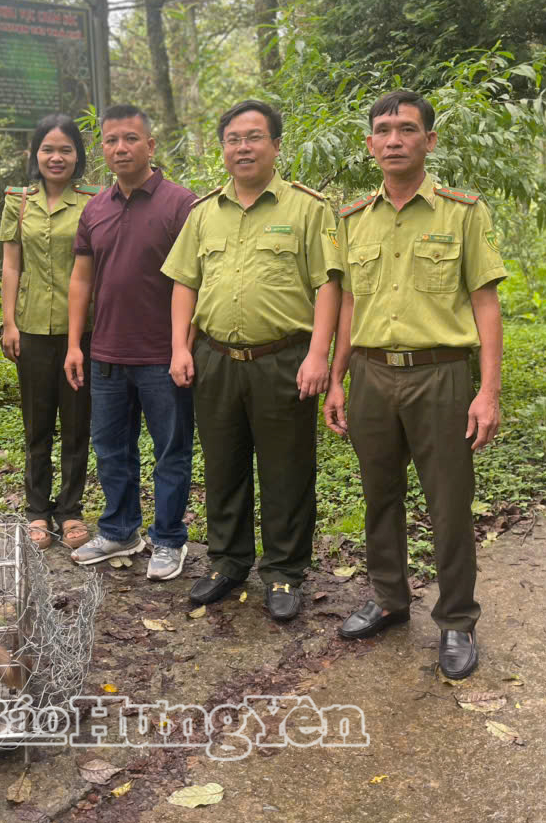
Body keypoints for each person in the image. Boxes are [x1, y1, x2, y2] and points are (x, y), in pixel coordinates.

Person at [323, 90, 505, 679]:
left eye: (406, 129)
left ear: (429, 140)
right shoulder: (352, 218)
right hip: (372, 374)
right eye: (383, 130)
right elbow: (349, 304)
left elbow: (486, 303)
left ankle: (456, 619)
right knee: (379, 494)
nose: (394, 139)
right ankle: (388, 598)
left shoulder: (462, 213)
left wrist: (488, 392)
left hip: (440, 374)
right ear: (370, 144)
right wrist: (336, 379)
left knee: (449, 502)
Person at [162, 99, 343, 620]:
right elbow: (184, 283)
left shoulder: (307, 209)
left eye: (254, 137)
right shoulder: (203, 213)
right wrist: (179, 347)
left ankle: (284, 571)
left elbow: (328, 285)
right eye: (233, 139)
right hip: (215, 358)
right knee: (223, 466)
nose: (243, 148)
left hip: (283, 359)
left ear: (276, 145)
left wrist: (318, 355)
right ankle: (227, 561)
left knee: (287, 470)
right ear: (223, 148)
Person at [63, 104, 197, 581]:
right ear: (102, 148)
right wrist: (75, 344)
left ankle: (169, 538)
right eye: (111, 140)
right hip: (106, 355)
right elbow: (81, 279)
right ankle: (120, 530)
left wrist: (183, 346)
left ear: (150, 145)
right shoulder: (95, 208)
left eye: (131, 139)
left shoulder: (181, 204)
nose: (121, 148)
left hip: (162, 355)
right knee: (110, 449)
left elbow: (194, 280)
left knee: (170, 451)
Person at [0, 113, 100, 551]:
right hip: (33, 329)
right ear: (34, 154)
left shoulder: (94, 201)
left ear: (77, 156)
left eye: (65, 150)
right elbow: (11, 264)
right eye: (48, 149)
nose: (56, 157)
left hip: (83, 331)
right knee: (37, 426)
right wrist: (9, 323)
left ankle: (71, 511)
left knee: (77, 426)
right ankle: (37, 510)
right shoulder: (19, 201)